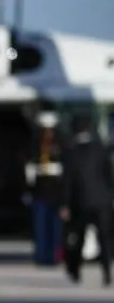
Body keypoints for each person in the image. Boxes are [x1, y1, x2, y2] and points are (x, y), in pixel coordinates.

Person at [61, 113, 112, 287]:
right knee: (104, 238)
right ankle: (106, 272)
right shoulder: (101, 149)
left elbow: (67, 181)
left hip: (80, 201)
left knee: (78, 238)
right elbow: (108, 175)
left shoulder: (70, 153)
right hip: (102, 200)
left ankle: (75, 271)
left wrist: (65, 204)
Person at [23, 108, 67, 266]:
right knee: (40, 227)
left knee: (56, 227)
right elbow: (29, 163)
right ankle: (41, 255)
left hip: (56, 190)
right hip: (40, 189)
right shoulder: (35, 142)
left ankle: (55, 255)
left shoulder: (61, 142)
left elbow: (67, 164)